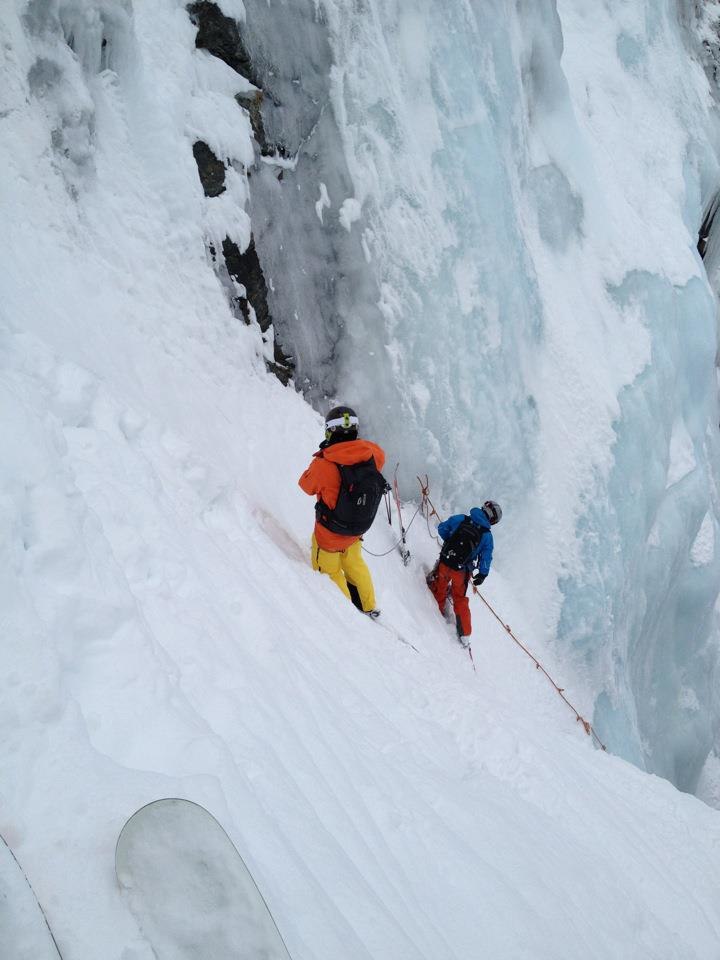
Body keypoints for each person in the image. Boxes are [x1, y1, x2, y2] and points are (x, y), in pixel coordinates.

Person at [299, 405, 387, 617]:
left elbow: (306, 485)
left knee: (329, 574)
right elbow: (376, 461)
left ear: (330, 432)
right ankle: (368, 606)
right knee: (355, 564)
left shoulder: (324, 464)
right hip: (357, 529)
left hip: (329, 534)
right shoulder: (373, 454)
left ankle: (347, 616)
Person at [428, 501, 502, 645]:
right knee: (459, 598)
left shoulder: (462, 519)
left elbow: (442, 528)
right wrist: (482, 574)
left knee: (440, 587)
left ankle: (436, 612)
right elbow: (486, 557)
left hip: (445, 562)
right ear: (492, 520)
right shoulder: (487, 536)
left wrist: (450, 543)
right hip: (461, 571)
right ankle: (465, 634)